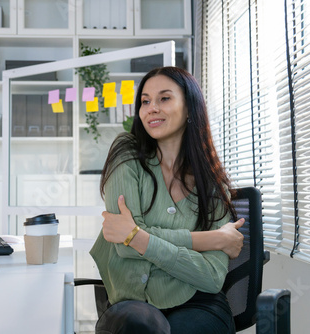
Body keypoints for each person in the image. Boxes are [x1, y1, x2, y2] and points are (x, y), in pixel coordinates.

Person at [89, 66, 245, 334]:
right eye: (145, 101)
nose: (151, 108)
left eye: (164, 98)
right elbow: (123, 246)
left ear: (189, 108)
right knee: (141, 326)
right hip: (133, 302)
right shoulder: (127, 154)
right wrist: (211, 239)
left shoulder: (212, 182)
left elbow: (211, 278)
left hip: (199, 302)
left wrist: (139, 237)